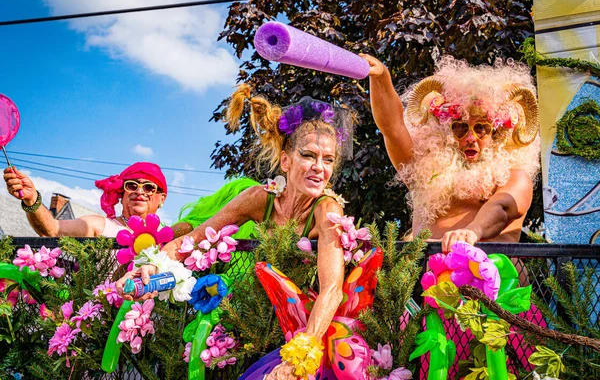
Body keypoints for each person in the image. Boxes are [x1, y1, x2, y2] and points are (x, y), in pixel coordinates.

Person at [116, 84, 354, 380]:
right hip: (252, 324)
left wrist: (301, 357)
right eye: (309, 155)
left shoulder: (327, 209)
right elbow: (194, 239)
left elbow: (332, 289)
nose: (319, 167)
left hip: (308, 330)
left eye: (328, 159)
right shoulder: (260, 198)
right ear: (285, 161)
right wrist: (148, 266)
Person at [361, 54, 541, 253]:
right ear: (446, 131)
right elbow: (392, 128)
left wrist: (472, 232)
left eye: (481, 128)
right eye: (460, 128)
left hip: (492, 279)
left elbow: (502, 207)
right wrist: (381, 78)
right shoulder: (424, 168)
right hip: (428, 279)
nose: (471, 137)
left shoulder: (515, 176)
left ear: (497, 135)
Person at [3, 161, 181, 237]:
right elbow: (52, 230)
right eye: (132, 185)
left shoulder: (172, 236)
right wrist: (32, 199)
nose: (139, 192)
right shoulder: (101, 226)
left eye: (149, 187)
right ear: (121, 193)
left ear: (161, 198)